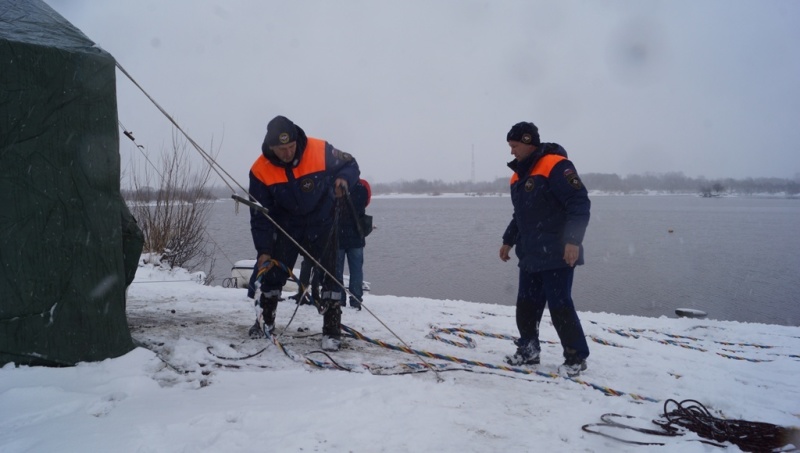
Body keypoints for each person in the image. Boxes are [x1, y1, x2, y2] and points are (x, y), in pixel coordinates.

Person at [247, 115, 360, 351]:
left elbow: (351, 164)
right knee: (273, 274)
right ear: (271, 147)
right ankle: (265, 321)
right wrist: (264, 250)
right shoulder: (259, 171)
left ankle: (331, 330)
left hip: (322, 221)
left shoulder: (319, 149)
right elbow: (260, 216)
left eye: (291, 147)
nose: (288, 153)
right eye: (282, 149)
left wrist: (343, 179)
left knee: (331, 275)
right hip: (287, 226)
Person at [499, 121, 591, 377]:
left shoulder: (555, 165)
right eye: (510, 146)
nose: (511, 152)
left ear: (528, 142)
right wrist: (508, 240)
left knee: (560, 306)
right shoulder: (517, 176)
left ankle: (575, 358)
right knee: (526, 305)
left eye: (515, 146)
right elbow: (521, 215)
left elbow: (579, 202)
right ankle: (528, 350)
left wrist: (573, 241)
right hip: (530, 254)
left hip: (558, 253)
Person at [337, 179, 371, 310]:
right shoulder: (363, 186)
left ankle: (339, 299)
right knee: (356, 270)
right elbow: (366, 202)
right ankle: (356, 300)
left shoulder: (335, 185)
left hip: (338, 234)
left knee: (337, 270)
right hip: (356, 234)